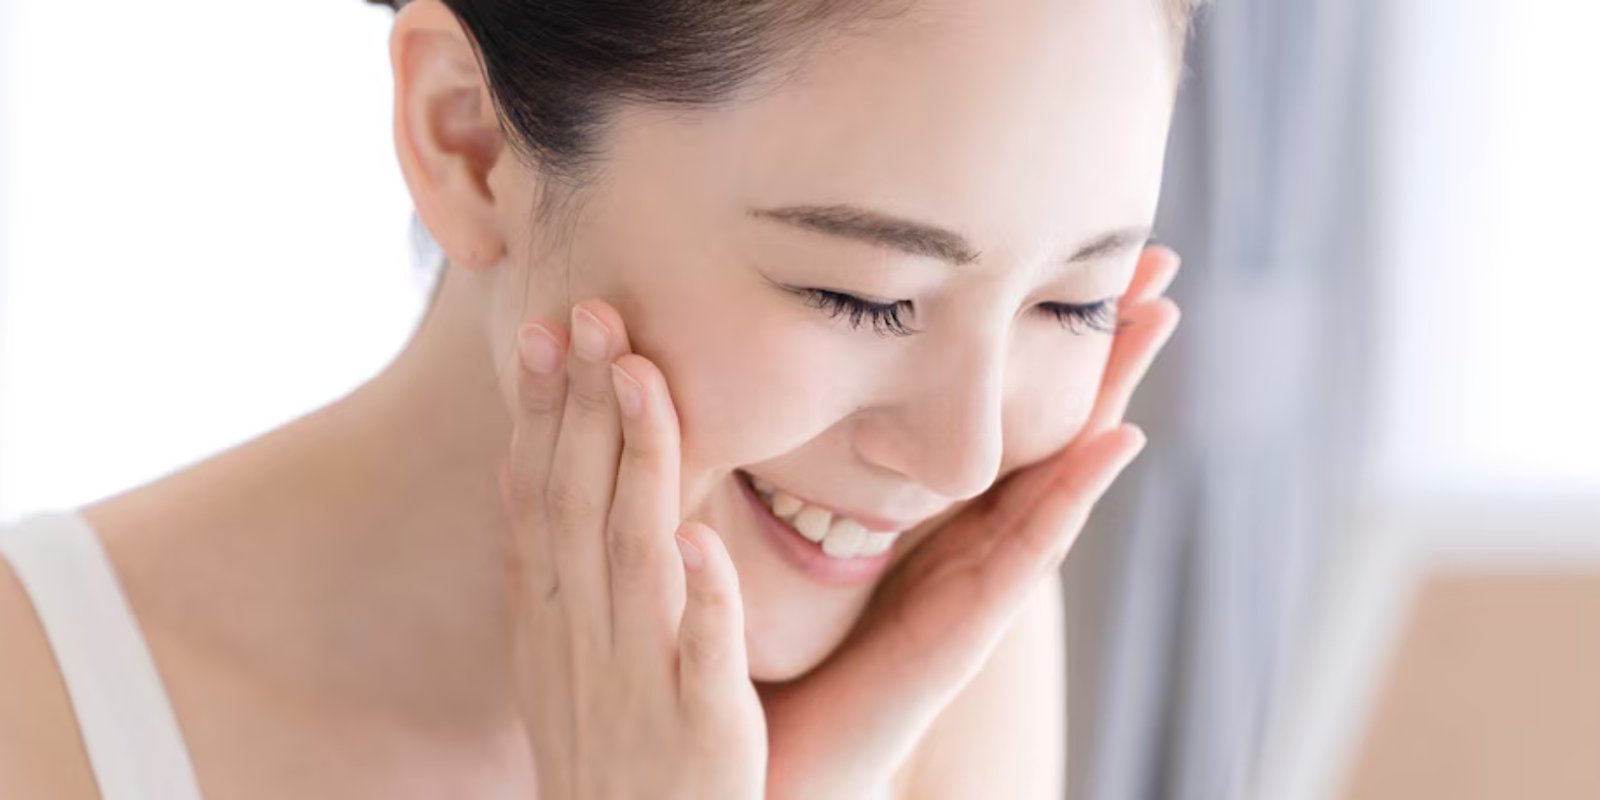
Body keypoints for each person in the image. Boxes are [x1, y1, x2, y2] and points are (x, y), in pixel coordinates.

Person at [0, 0, 1194, 796]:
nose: (963, 456)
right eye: (860, 294)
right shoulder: (35, 712)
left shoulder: (945, 652)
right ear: (468, 142)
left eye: (1073, 303)